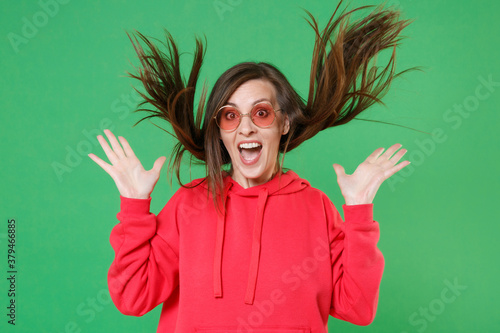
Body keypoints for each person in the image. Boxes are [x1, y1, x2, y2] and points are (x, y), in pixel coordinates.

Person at [89, 1, 413, 332]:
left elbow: (357, 309)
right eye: (230, 116)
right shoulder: (189, 204)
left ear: (284, 123)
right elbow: (133, 297)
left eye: (261, 113)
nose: (246, 128)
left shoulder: (316, 208)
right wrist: (134, 208)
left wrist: (359, 214)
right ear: (219, 129)